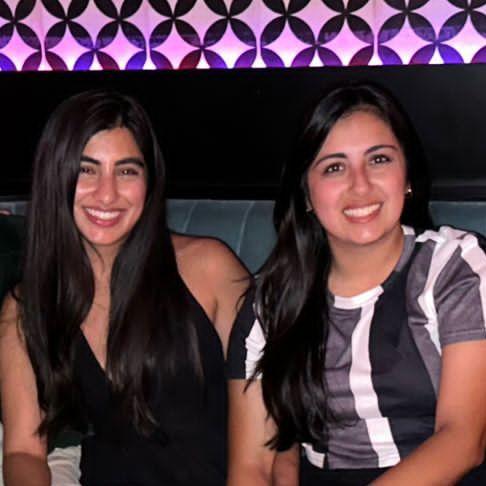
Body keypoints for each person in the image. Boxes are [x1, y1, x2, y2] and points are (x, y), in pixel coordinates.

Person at [226, 82, 486, 485]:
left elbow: (463, 440)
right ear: (307, 194)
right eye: (334, 167)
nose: (360, 185)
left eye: (379, 159)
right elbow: (252, 467)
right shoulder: (270, 302)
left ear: (407, 176)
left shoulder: (455, 266)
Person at [0, 90, 248, 486]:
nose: (107, 193)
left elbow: (272, 426)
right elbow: (23, 452)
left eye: (127, 171)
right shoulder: (27, 308)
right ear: (55, 176)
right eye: (87, 170)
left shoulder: (209, 269)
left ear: (149, 181)